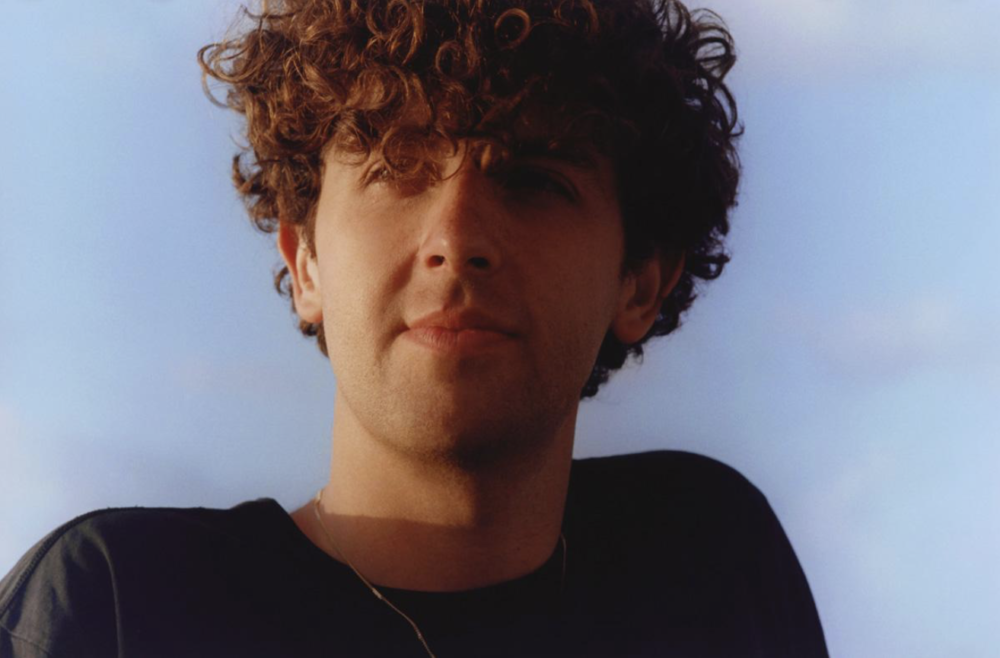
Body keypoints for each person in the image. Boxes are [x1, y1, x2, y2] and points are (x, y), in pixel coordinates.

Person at [0, 0, 829, 656]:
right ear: (307, 263)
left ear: (640, 281)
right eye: (396, 168)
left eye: (533, 181)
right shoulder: (122, 607)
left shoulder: (708, 569)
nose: (456, 239)